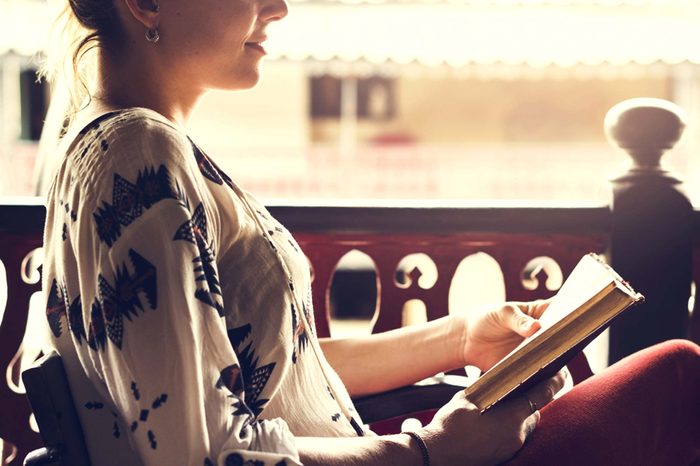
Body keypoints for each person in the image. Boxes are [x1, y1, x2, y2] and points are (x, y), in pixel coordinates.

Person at [38, 0, 700, 465]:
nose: (279, 7)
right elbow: (203, 457)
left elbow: (269, 370)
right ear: (146, 3)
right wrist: (429, 451)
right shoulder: (138, 156)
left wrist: (459, 337)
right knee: (675, 378)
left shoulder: (121, 146)